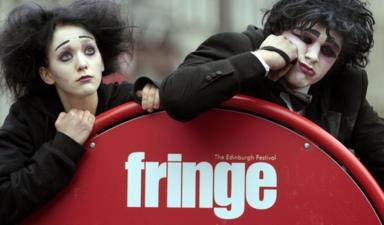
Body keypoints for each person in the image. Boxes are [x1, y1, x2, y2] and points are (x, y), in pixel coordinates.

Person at [160, 0, 384, 189]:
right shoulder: (238, 47)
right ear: (280, 31)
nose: (313, 55)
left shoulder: (345, 86)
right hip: (224, 193)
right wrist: (262, 60)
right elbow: (176, 96)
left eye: (328, 51)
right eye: (305, 38)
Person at [0, 1, 159, 224]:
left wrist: (157, 89)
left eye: (89, 50)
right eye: (66, 56)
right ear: (47, 74)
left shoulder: (128, 99)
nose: (82, 63)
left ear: (102, 61)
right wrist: (64, 145)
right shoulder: (26, 119)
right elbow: (2, 202)